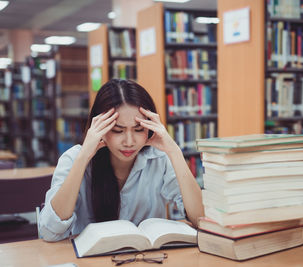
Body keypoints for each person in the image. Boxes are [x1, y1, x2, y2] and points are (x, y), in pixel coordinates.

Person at [39, 79, 204, 241]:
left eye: (139, 129)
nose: (129, 141)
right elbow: (50, 232)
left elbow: (201, 219)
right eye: (118, 130)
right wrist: (83, 158)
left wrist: (174, 151)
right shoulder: (74, 158)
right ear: (99, 128)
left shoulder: (159, 158)